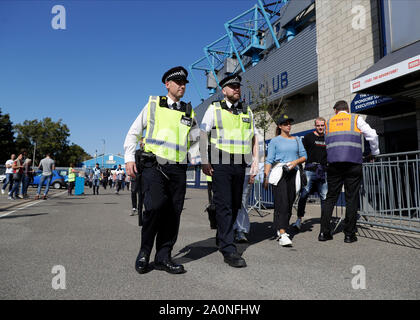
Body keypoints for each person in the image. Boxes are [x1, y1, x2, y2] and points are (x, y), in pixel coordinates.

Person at [124, 66, 199, 275]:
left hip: (178, 168)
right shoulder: (153, 105)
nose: (182, 86)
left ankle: (163, 257)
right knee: (155, 207)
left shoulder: (188, 111)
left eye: (185, 83)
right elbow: (133, 133)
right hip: (154, 166)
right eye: (178, 83)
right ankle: (144, 251)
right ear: (168, 85)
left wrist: (196, 156)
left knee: (173, 214)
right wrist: (129, 158)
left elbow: (195, 138)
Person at [200, 73, 259, 268]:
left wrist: (255, 163)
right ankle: (229, 249)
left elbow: (253, 139)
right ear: (224, 90)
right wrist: (204, 160)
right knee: (224, 204)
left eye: (238, 86)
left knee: (235, 204)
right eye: (232, 86)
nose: (236, 88)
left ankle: (221, 235)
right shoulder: (214, 109)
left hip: (240, 164)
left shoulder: (246, 111)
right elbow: (202, 134)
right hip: (221, 163)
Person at [319, 100, 379, 243]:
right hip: (353, 163)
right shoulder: (356, 119)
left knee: (331, 198)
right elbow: (373, 135)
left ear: (335, 110)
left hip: (334, 164)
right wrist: (374, 152)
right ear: (347, 109)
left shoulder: (329, 123)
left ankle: (324, 233)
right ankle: (349, 234)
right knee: (351, 198)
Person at [263, 115, 307, 247]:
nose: (288, 125)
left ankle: (279, 227)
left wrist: (295, 162)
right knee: (282, 202)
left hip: (294, 173)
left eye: (289, 123)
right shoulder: (275, 141)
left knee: (289, 202)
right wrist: (266, 177)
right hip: (279, 173)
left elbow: (304, 156)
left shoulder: (297, 140)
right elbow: (269, 160)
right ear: (280, 126)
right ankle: (282, 233)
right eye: (285, 123)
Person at [293, 117, 328, 230]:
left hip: (323, 171)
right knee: (304, 195)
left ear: (325, 126)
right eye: (318, 125)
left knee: (324, 197)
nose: (320, 127)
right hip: (309, 170)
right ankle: (299, 220)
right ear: (315, 126)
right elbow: (301, 153)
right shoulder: (308, 137)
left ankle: (324, 222)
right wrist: (301, 169)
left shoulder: (328, 138)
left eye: (322, 125)